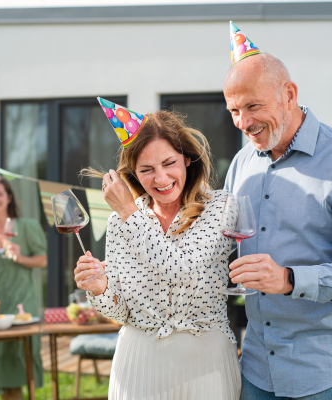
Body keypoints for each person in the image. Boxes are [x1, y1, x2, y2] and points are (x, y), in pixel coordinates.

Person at [223, 23, 332, 400]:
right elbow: (225, 246)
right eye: (233, 110)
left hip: (325, 371)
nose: (243, 122)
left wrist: (289, 278)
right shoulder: (241, 163)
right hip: (256, 370)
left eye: (252, 106)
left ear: (288, 94)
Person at [74, 101, 241, 400]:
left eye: (168, 163)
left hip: (206, 364)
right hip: (138, 363)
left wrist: (129, 211)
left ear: (187, 159)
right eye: (147, 169)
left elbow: (181, 268)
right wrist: (101, 289)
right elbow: (120, 310)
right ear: (134, 174)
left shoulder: (220, 206)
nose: (161, 179)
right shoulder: (119, 221)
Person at [0, 176, 47, 400]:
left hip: (23, 301)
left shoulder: (27, 226)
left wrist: (20, 257)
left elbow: (42, 261)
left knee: (22, 358)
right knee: (1, 359)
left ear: (9, 198)